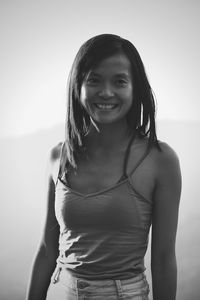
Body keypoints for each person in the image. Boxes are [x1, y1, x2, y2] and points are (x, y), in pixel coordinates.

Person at [26, 34, 181, 300]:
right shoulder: (59, 156)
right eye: (94, 80)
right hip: (60, 291)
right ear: (78, 86)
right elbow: (46, 250)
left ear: (135, 88)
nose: (106, 92)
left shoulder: (159, 159)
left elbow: (164, 259)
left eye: (119, 81)